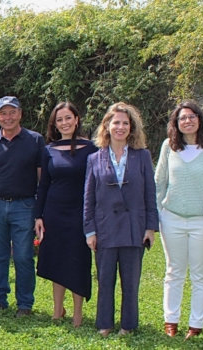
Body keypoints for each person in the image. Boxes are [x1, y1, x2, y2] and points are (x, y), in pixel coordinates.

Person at [155, 101, 203, 339]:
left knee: (200, 274)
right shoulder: (169, 147)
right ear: (176, 123)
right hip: (172, 219)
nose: (187, 121)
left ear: (200, 119)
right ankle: (171, 321)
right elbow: (159, 183)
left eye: (191, 117)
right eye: (182, 118)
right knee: (174, 271)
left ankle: (196, 325)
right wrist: (156, 213)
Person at [84, 102, 158, 337]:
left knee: (130, 282)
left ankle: (128, 325)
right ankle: (105, 324)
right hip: (104, 229)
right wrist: (90, 230)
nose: (121, 127)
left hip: (133, 229)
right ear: (107, 125)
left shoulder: (142, 156)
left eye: (126, 123)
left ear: (132, 127)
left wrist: (150, 227)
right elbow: (89, 198)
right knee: (105, 281)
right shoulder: (95, 158)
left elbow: (150, 193)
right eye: (116, 122)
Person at [0, 96, 44, 317]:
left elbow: (42, 179)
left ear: (20, 114)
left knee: (23, 256)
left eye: (12, 112)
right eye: (3, 113)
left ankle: (25, 304)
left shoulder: (34, 141)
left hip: (24, 206)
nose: (8, 117)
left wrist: (40, 212)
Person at [33, 102, 98, 327]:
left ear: (76, 119)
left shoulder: (92, 149)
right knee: (56, 261)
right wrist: (38, 216)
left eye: (68, 118)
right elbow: (43, 185)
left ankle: (78, 313)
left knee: (77, 261)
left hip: (81, 213)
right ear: (54, 124)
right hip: (54, 212)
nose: (64, 123)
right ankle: (57, 310)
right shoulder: (48, 150)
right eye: (59, 120)